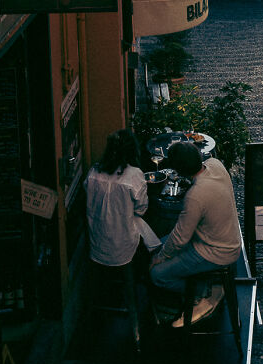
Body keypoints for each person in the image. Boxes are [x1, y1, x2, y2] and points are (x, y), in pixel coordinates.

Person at [149, 141, 241, 327]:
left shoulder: (195, 196)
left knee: (157, 274)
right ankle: (206, 288)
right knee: (160, 245)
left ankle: (203, 293)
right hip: (228, 240)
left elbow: (180, 239)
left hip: (215, 252)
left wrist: (161, 257)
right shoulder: (216, 165)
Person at [85, 129, 159, 345]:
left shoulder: (92, 173)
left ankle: (91, 323)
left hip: (97, 243)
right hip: (122, 246)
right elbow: (141, 209)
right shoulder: (134, 176)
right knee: (145, 235)